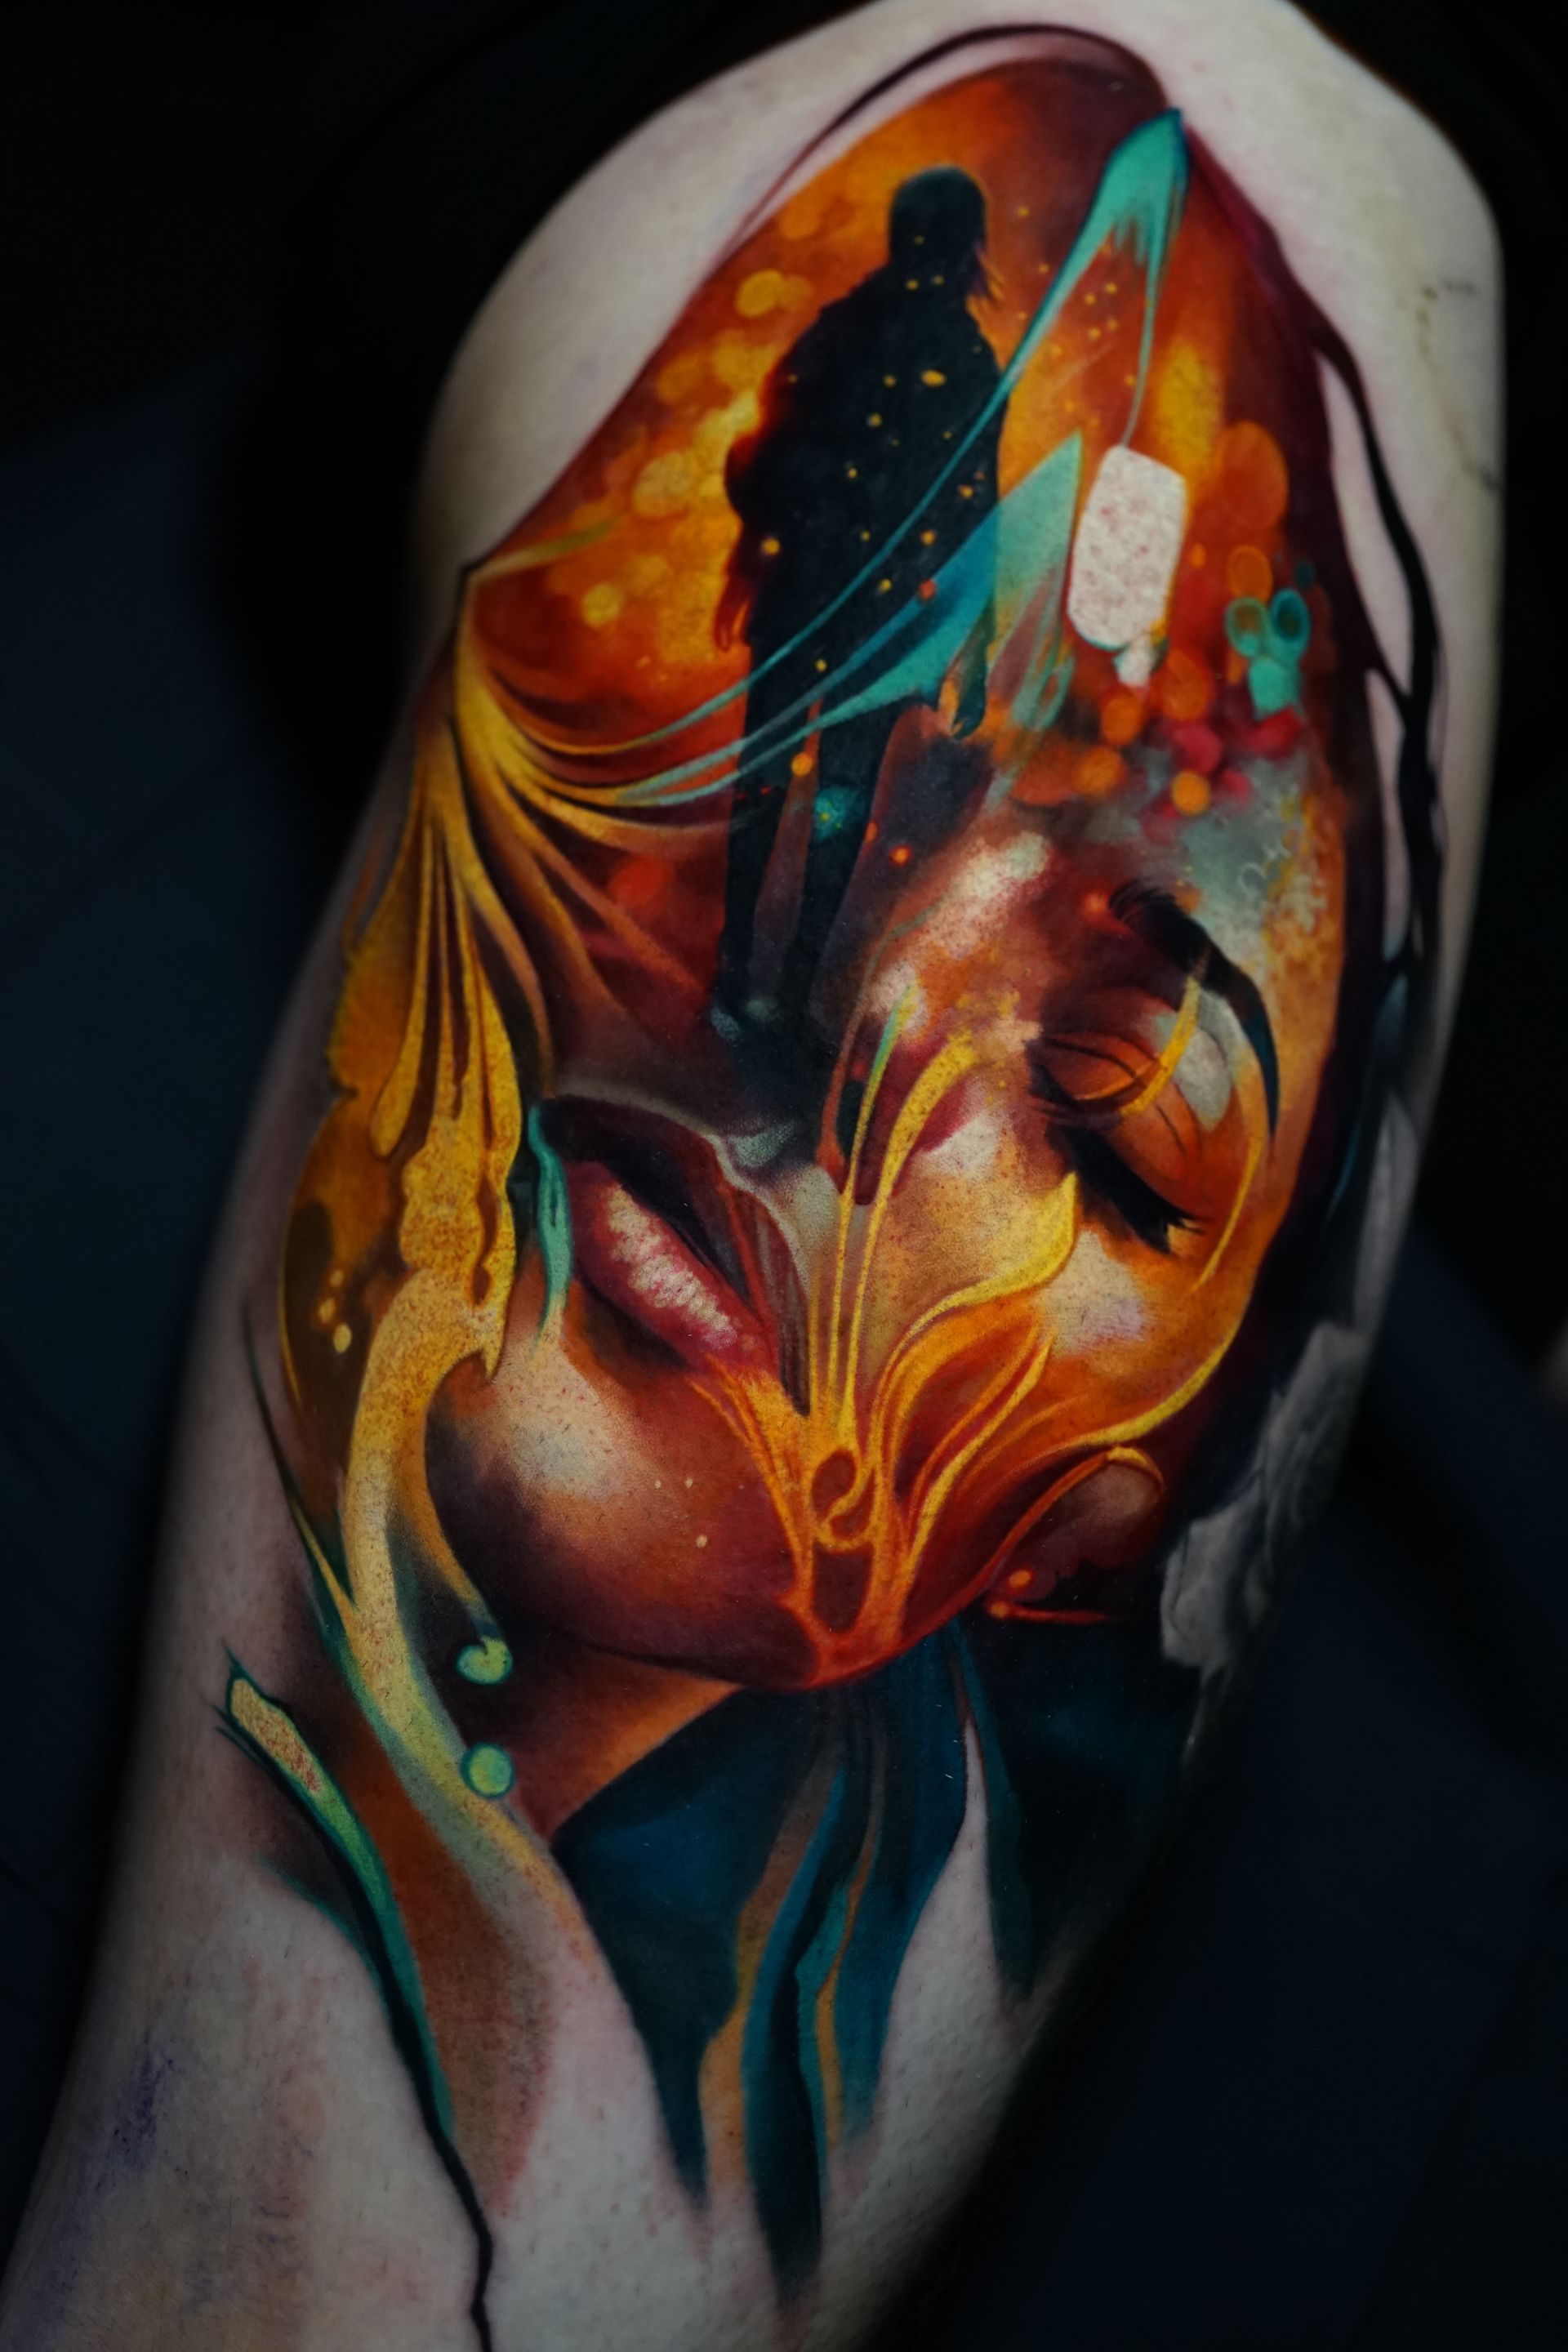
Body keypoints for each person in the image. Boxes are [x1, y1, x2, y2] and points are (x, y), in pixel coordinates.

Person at [714, 165, 1003, 1036]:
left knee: (809, 793)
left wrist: (970, 645)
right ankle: (751, 976)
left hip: (855, 612)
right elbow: (775, 447)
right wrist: (751, 561)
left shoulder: (912, 346)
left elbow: (975, 511)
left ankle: (767, 980)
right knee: (795, 788)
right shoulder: (902, 344)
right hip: (847, 609)